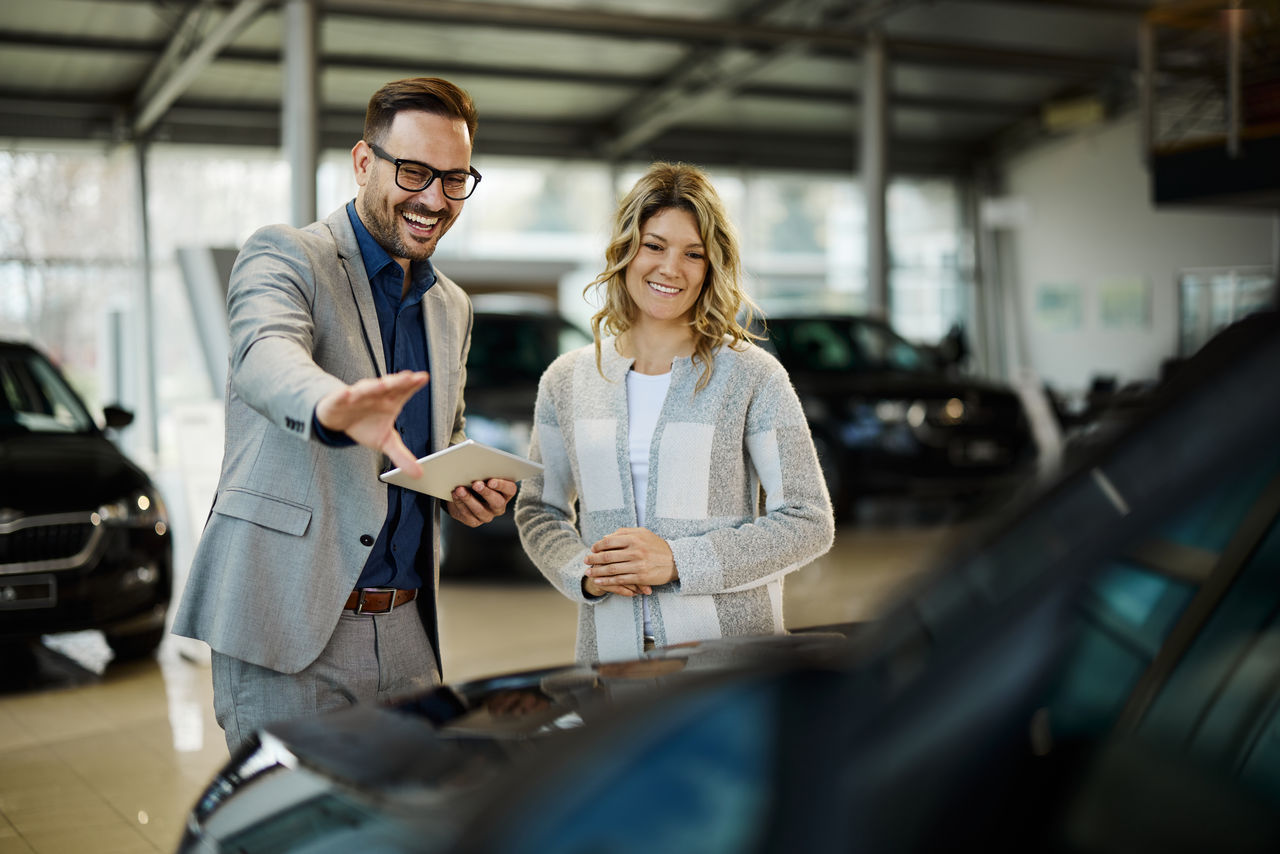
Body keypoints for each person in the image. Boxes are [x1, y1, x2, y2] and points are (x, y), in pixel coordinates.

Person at [172, 77, 516, 753]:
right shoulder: (287, 255)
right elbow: (264, 355)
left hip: (411, 631)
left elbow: (437, 438)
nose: (434, 199)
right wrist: (332, 406)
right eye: (414, 172)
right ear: (364, 162)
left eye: (455, 179)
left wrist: (464, 487)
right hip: (289, 628)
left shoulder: (452, 306)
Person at [514, 161, 835, 662]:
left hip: (729, 662)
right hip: (610, 659)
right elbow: (539, 510)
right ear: (625, 250)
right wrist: (584, 572)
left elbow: (809, 521)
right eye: (654, 245)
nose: (671, 268)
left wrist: (679, 560)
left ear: (711, 267)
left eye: (693, 254)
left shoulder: (752, 377)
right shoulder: (567, 380)